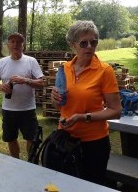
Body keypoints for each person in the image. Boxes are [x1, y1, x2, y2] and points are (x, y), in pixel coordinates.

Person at [51, 20, 122, 185]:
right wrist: (55, 99)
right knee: (66, 184)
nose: (89, 46)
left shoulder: (105, 71)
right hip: (66, 138)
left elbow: (116, 110)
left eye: (93, 42)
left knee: (91, 186)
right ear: (72, 45)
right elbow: (61, 106)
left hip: (94, 143)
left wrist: (83, 117)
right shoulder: (65, 69)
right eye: (84, 43)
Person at [0, 32, 44, 159]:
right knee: (11, 138)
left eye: (19, 42)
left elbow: (42, 82)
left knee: (31, 138)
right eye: (12, 41)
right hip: (9, 109)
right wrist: (0, 87)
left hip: (27, 109)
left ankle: (31, 163)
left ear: (23, 45)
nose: (16, 44)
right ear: (8, 45)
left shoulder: (31, 61)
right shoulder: (2, 62)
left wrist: (26, 80)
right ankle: (16, 162)